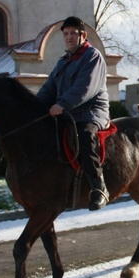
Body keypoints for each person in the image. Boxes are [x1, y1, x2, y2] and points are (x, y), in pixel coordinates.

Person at [36, 16, 110, 211]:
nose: (69, 37)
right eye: (66, 34)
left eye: (73, 33)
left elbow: (85, 88)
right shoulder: (62, 63)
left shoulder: (92, 56)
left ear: (82, 35)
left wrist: (62, 104)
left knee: (84, 136)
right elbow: (48, 89)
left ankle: (99, 188)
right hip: (68, 112)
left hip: (91, 112)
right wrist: (34, 107)